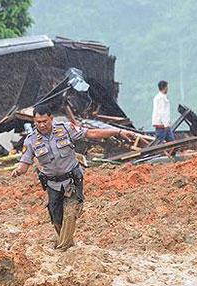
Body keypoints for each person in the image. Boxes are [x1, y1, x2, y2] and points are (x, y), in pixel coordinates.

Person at [11, 105, 135, 251]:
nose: (42, 125)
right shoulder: (31, 141)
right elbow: (24, 164)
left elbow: (92, 134)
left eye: (45, 121)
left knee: (70, 214)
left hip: (72, 179)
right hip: (52, 184)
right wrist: (18, 170)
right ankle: (66, 242)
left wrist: (118, 131)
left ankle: (62, 249)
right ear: (34, 121)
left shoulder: (65, 129)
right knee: (57, 218)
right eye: (38, 122)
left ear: (51, 118)